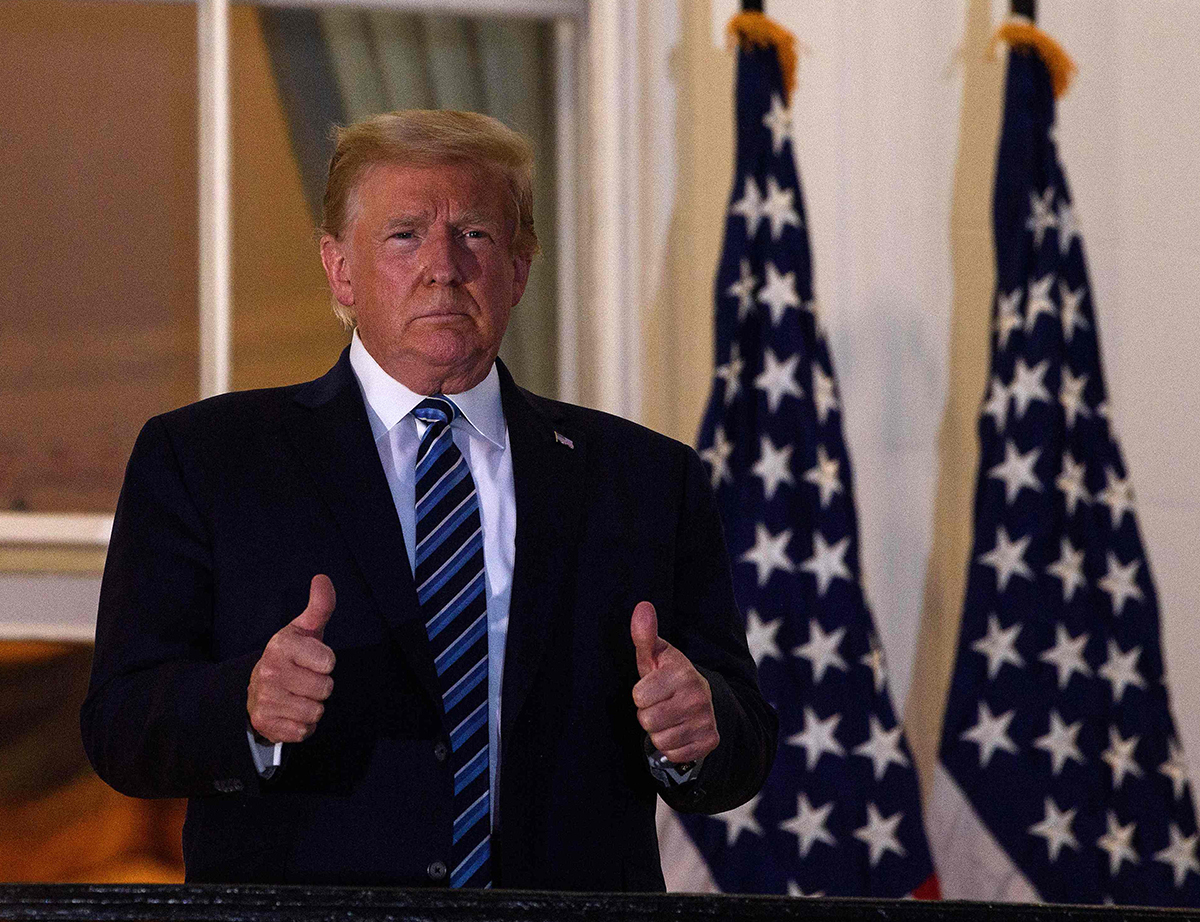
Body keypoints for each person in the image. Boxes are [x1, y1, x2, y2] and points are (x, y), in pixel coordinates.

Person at [81, 109, 775, 891]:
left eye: (475, 235)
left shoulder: (645, 479)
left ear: (518, 269)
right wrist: (243, 703)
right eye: (405, 235)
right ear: (339, 268)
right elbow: (119, 722)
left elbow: (741, 742)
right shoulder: (208, 460)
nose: (443, 267)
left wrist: (696, 730)